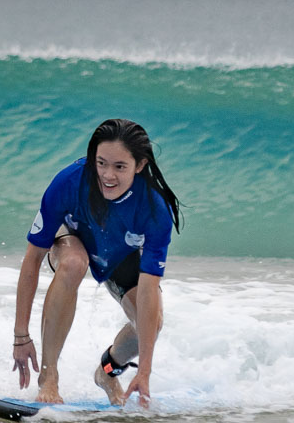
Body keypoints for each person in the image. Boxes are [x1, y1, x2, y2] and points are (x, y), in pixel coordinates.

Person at [12, 119, 182, 408]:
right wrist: (20, 336)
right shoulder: (69, 182)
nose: (107, 175)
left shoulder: (154, 209)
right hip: (71, 239)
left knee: (151, 323)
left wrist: (144, 372)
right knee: (75, 262)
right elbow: (32, 261)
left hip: (117, 254)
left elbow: (149, 287)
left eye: (119, 167)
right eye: (101, 163)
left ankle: (107, 372)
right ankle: (49, 376)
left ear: (139, 166)